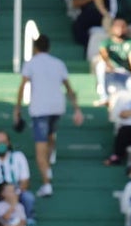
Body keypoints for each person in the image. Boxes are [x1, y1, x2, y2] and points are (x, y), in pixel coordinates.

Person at [14, 35, 84, 199]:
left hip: (40, 109)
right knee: (51, 136)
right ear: (49, 48)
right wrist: (77, 109)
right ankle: (49, 161)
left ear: (35, 48)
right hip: (57, 107)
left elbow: (22, 86)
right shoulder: (58, 63)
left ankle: (47, 183)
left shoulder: (31, 63)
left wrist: (17, 108)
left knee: (40, 147)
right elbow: (69, 88)